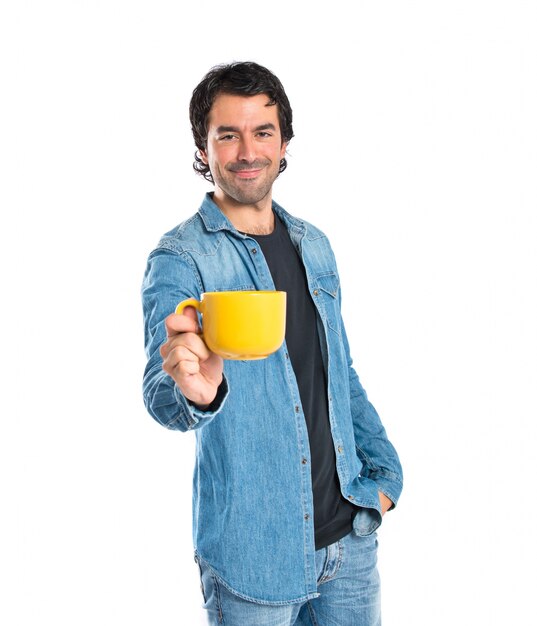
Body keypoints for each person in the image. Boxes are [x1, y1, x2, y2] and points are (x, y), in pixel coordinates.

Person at [141, 61, 403, 626]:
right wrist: (198, 392)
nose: (247, 151)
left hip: (349, 545)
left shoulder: (315, 246)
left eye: (262, 132)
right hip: (252, 558)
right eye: (227, 135)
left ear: (284, 142)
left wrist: (385, 475)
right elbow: (161, 394)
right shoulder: (180, 259)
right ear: (203, 147)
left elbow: (341, 373)